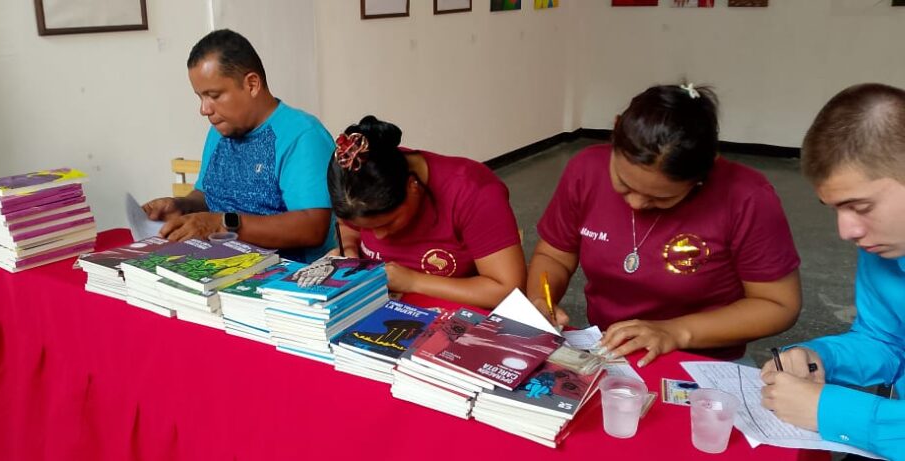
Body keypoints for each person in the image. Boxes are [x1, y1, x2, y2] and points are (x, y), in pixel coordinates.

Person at [528, 84, 802, 366]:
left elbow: (778, 304)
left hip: (703, 360)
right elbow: (554, 256)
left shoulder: (747, 197)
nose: (636, 204)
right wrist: (540, 300)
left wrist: (676, 332)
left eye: (661, 198)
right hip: (607, 349)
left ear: (704, 173)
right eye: (623, 183)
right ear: (615, 130)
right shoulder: (586, 170)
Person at [761, 83, 905, 459]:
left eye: (862, 206)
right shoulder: (886, 246)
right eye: (837, 209)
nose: (846, 231)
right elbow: (887, 341)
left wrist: (830, 411)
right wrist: (818, 357)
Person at [142, 29, 335, 262]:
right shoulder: (220, 131)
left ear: (252, 84)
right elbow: (208, 195)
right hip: (219, 265)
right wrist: (183, 206)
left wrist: (224, 224)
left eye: (214, 95)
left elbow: (312, 228)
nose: (204, 109)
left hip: (286, 274)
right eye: (200, 97)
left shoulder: (302, 136)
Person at [327, 116, 525, 309]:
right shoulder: (360, 180)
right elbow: (347, 225)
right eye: (366, 228)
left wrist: (413, 282)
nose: (379, 236)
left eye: (387, 223)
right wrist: (350, 250)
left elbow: (508, 291)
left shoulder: (473, 192)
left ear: (413, 186)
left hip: (453, 314)